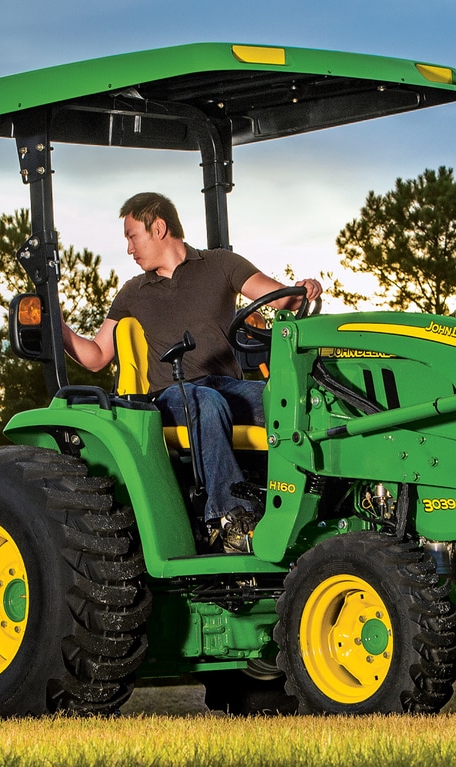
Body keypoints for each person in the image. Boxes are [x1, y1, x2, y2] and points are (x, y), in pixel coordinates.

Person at [61, 192, 322, 549]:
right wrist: (57, 328)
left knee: (289, 400)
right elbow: (96, 356)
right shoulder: (133, 293)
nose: (128, 248)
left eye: (132, 236)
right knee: (206, 401)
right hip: (172, 395)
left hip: (228, 388)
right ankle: (230, 520)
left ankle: (312, 510)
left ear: (159, 227)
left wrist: (305, 290)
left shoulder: (220, 264)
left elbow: (281, 299)